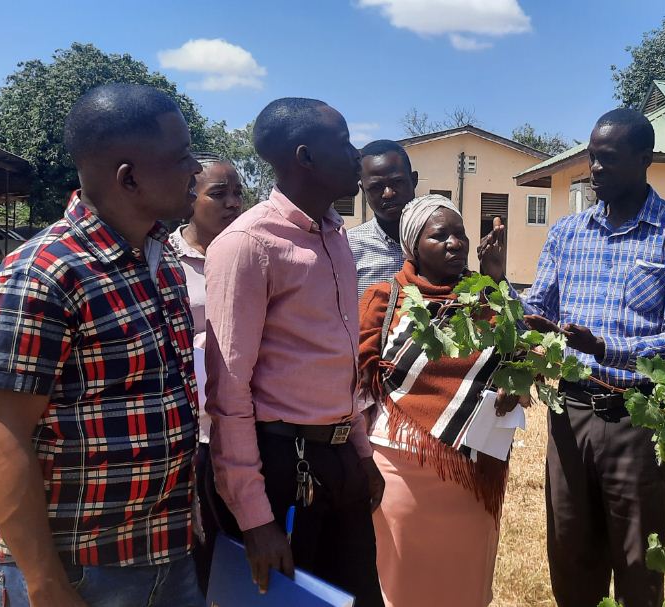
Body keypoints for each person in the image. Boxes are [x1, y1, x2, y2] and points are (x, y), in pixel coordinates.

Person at [0, 83, 204, 607]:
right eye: (181, 156)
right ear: (130, 178)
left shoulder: (161, 259)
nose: (195, 167)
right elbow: (2, 441)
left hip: (165, 553)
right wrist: (46, 583)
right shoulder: (43, 275)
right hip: (81, 569)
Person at [522, 108, 665, 607]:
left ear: (644, 159)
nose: (594, 169)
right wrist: (497, 290)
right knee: (569, 552)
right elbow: (537, 307)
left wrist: (606, 349)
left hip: (637, 418)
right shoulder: (567, 233)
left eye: (607, 159)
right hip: (570, 414)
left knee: (637, 561)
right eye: (591, 157)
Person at [204, 97, 384, 605]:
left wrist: (362, 455)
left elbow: (338, 362)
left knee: (357, 596)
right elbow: (228, 389)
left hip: (339, 458)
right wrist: (255, 518)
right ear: (304, 157)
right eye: (344, 143)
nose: (357, 155)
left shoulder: (334, 235)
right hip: (283, 467)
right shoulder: (248, 244)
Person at [357, 195, 523, 607]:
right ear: (413, 246)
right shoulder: (385, 299)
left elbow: (520, 353)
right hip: (401, 466)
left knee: (464, 582)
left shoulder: (487, 298)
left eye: (460, 235)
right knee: (402, 582)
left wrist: (497, 280)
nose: (455, 243)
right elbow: (358, 381)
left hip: (471, 469)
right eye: (440, 236)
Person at [166, 151, 243, 590]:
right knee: (194, 545)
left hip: (239, 426)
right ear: (190, 198)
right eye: (219, 193)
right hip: (189, 432)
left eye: (238, 194)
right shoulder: (165, 259)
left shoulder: (249, 252)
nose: (232, 203)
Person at [347, 139, 508, 296]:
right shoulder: (348, 247)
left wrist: (494, 277)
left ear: (414, 180)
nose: (388, 193)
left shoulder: (448, 239)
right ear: (363, 189)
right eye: (376, 187)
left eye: (397, 182)